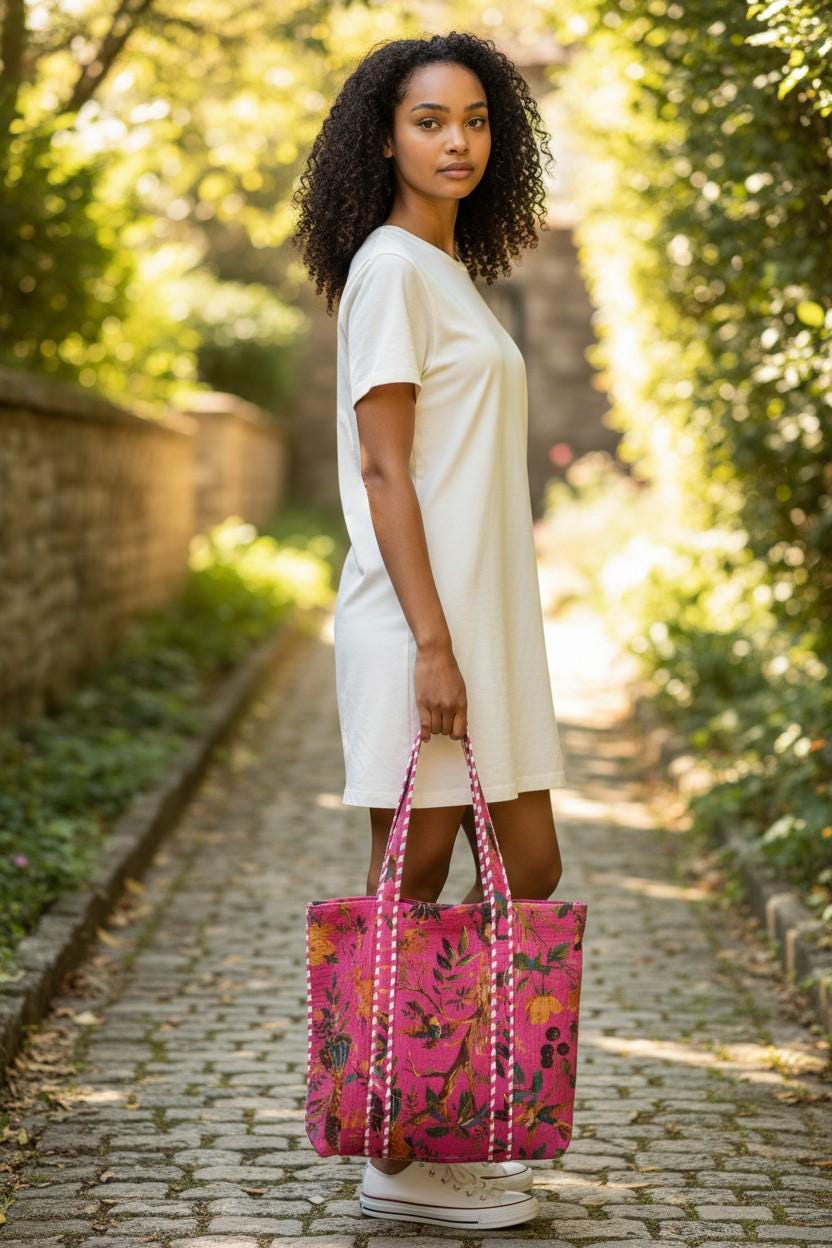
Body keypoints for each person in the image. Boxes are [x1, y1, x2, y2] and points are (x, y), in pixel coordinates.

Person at [292, 29, 569, 1231]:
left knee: (531, 871)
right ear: (382, 136)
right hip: (420, 625)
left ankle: (433, 1130)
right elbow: (384, 469)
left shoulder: (449, 274)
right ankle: (395, 1157)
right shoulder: (392, 269)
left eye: (473, 120)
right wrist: (434, 645)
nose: (456, 140)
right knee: (408, 879)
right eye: (427, 120)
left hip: (480, 625)